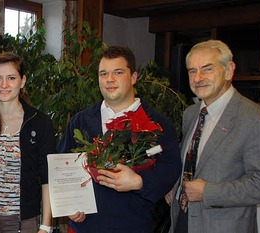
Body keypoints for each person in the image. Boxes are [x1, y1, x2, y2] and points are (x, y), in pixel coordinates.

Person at [57, 46, 182, 233]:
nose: (109, 80)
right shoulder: (80, 121)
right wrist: (69, 205)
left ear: (133, 77)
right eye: (103, 74)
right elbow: (63, 165)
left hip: (134, 225)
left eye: (118, 72)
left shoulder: (156, 124)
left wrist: (140, 181)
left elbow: (171, 167)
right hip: (85, 226)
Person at [168, 40, 260, 233]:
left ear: (229, 70)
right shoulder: (191, 113)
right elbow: (192, 163)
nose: (198, 78)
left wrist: (208, 193)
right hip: (182, 219)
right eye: (192, 71)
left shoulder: (254, 119)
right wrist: (175, 185)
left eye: (207, 69)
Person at [0, 52, 55, 233]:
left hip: (22, 221)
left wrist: (46, 225)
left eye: (11, 78)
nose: (4, 85)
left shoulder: (39, 122)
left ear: (23, 81)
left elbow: (47, 178)